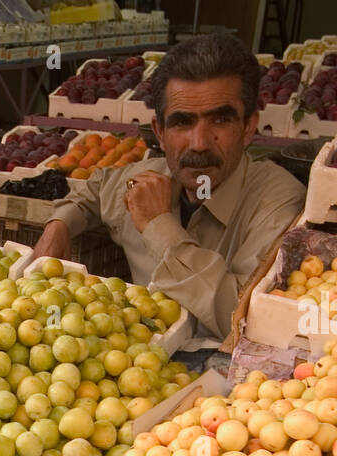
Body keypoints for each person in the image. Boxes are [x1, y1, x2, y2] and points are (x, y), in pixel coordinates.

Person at [33, 32, 305, 340]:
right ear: (159, 133)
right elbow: (95, 188)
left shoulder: (278, 202)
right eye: (182, 123)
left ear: (248, 127)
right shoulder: (145, 178)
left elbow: (244, 318)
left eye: (219, 121)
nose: (200, 144)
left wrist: (158, 226)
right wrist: (60, 224)